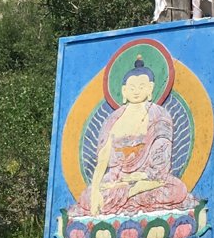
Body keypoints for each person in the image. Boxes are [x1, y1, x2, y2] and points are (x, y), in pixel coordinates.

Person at [73, 58, 193, 216]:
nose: (136, 91)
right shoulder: (113, 119)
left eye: (141, 87)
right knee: (87, 197)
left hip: (148, 180)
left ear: (150, 88)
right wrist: (95, 191)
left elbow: (161, 162)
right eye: (132, 87)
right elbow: (102, 161)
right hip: (116, 180)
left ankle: (126, 197)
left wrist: (136, 182)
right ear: (124, 91)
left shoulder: (158, 115)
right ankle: (124, 197)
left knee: (176, 190)